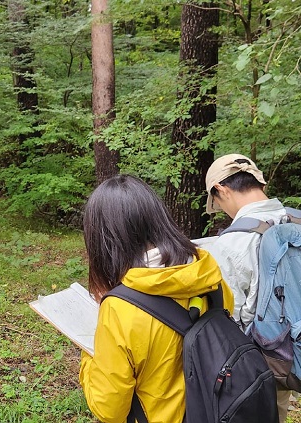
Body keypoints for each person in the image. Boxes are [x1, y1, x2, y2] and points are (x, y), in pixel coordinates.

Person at [78, 174, 234, 422]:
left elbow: (109, 410)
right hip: (215, 411)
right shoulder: (208, 276)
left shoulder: (119, 310)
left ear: (104, 241)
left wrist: (89, 354)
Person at [205, 153, 291, 422]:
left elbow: (230, 317)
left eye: (217, 203)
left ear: (221, 189)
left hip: (266, 359)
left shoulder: (232, 243)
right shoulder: (296, 221)